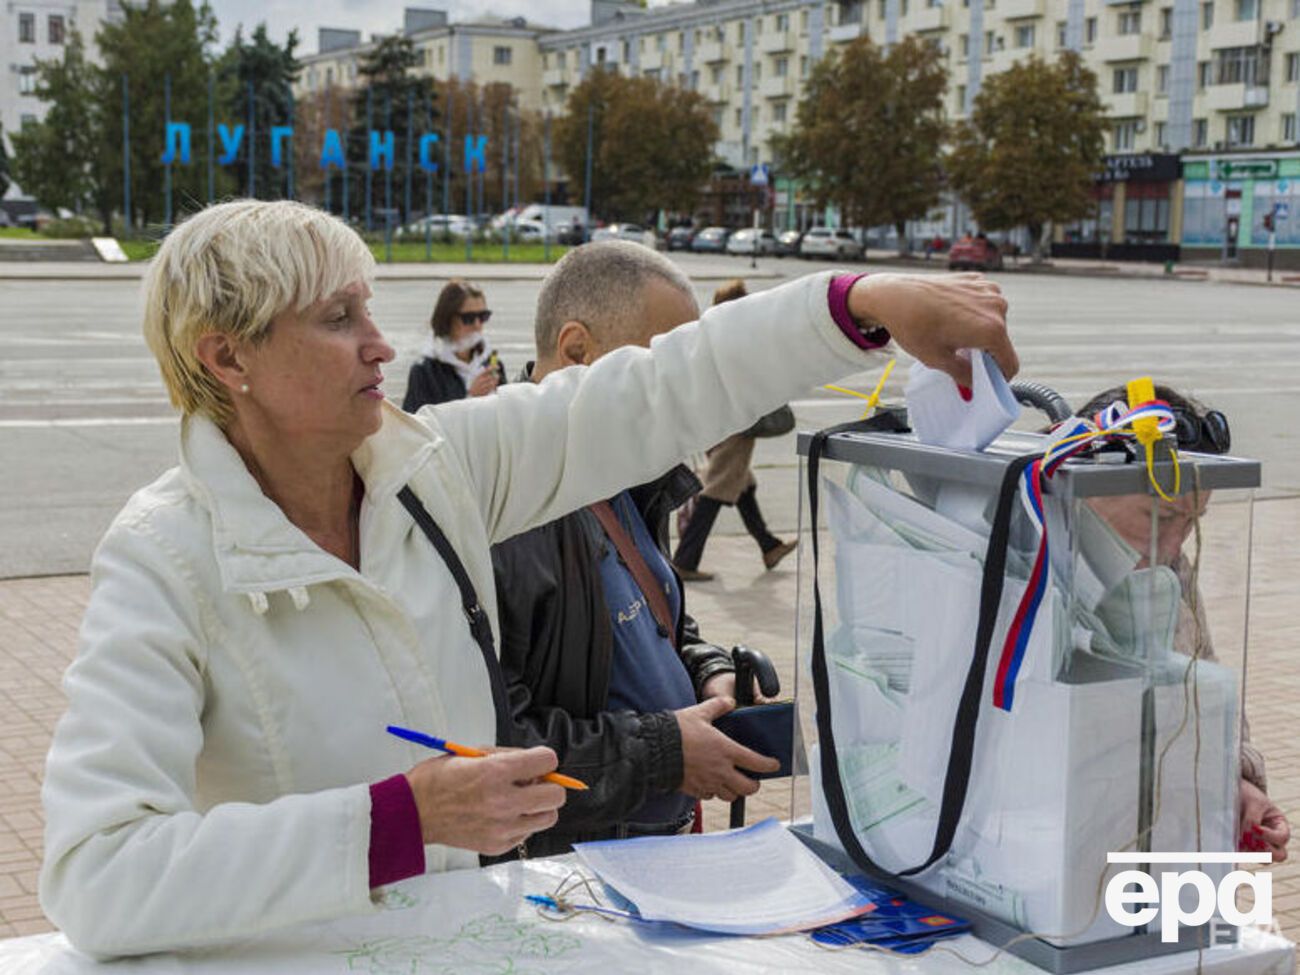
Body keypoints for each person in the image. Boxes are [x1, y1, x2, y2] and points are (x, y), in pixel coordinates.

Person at [38, 199, 1016, 957]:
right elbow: (97, 878)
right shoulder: (162, 557)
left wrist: (857, 305)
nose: (381, 343)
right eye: (339, 318)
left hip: (454, 943)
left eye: (370, 308)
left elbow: (655, 390)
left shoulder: (432, 466)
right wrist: (399, 823)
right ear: (228, 357)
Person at [491, 247, 777, 856]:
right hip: (568, 876)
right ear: (576, 352)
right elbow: (495, 744)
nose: (681, 393)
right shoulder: (504, 505)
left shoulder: (628, 470)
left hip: (648, 855)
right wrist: (667, 755)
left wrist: (706, 670)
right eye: (662, 365)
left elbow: (653, 621)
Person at [1079, 384, 1290, 864]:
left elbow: (1201, 676)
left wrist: (1233, 781)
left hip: (1156, 844)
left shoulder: (1167, 567)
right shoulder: (1025, 572)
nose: (1173, 544)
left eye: (1190, 523)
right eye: (1159, 517)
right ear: (1087, 485)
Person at [673, 281, 798, 581]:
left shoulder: (712, 331)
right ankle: (684, 561)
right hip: (735, 422)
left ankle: (769, 546)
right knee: (718, 487)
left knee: (743, 483)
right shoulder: (734, 336)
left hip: (720, 420)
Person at [401, 278, 506, 411]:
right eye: (469, 318)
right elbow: (416, 425)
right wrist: (470, 397)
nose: (477, 325)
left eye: (483, 316)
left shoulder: (492, 363)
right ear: (447, 319)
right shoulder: (425, 371)